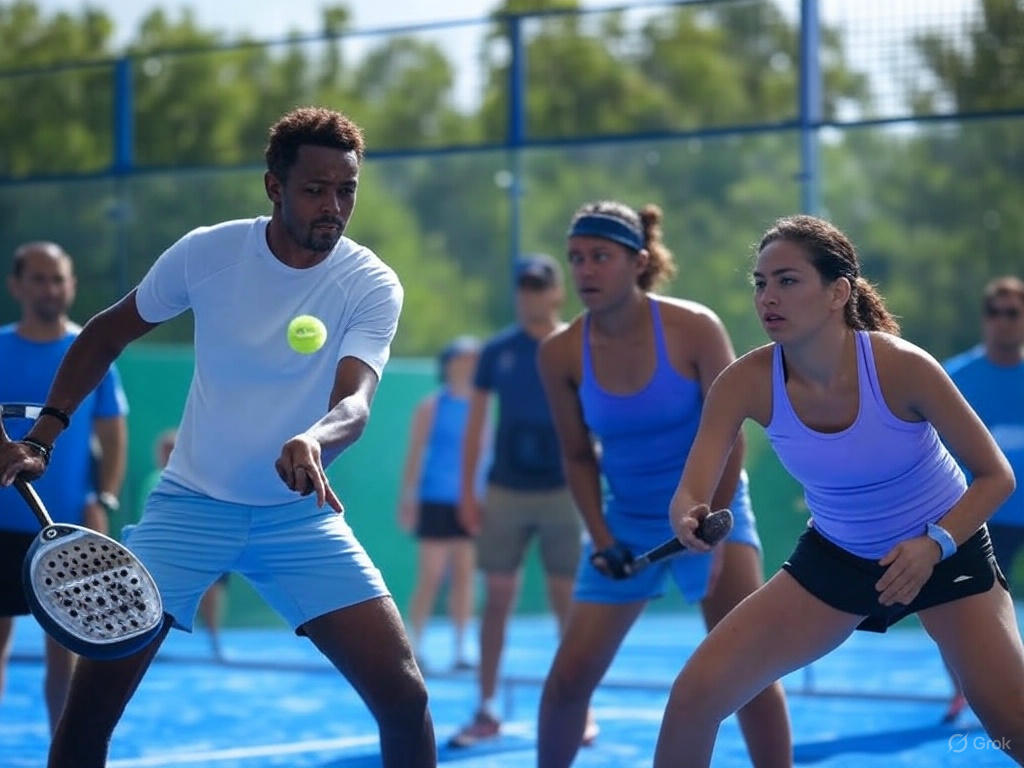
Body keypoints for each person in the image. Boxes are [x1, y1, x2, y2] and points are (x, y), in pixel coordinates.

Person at [0, 106, 435, 768]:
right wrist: (47, 431)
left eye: (346, 190)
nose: (333, 206)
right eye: (315, 188)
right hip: (188, 510)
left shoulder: (370, 282)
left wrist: (315, 439)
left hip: (298, 518)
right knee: (88, 714)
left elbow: (356, 402)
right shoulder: (209, 253)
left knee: (404, 697)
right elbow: (106, 332)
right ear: (274, 187)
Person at [653, 215, 1024, 767]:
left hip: (947, 553)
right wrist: (687, 517)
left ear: (838, 293)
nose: (767, 297)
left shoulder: (902, 367)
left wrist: (934, 546)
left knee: (1013, 729)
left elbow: (996, 476)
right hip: (838, 559)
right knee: (691, 699)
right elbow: (691, 493)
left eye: (787, 280)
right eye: (759, 283)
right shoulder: (744, 381)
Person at [535, 201, 791, 768]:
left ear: (638, 261)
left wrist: (715, 524)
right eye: (576, 258)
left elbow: (732, 434)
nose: (585, 270)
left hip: (713, 510)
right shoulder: (558, 353)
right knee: (568, 681)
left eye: (601, 256)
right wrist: (602, 539)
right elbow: (577, 455)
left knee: (746, 672)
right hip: (626, 522)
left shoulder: (694, 327)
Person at [449, 253, 585, 747]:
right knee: (498, 599)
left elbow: (600, 415)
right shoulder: (497, 352)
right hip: (505, 492)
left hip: (564, 492)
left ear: (556, 292)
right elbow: (476, 425)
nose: (531, 293)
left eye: (540, 285)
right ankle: (486, 709)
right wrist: (468, 491)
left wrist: (593, 479)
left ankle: (577, 709)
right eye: (524, 285)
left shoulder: (579, 344)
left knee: (567, 603)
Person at [0, 241, 128, 734]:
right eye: (38, 278)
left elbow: (112, 434)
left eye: (58, 279)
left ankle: (65, 754)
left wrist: (105, 498)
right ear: (17, 286)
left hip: (64, 531)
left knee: (66, 657)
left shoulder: (91, 356)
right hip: (1, 531)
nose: (50, 288)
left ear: (71, 286)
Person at [939, 275, 1024, 723]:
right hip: (979, 513)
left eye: (1013, 313)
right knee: (961, 609)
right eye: (995, 312)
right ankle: (965, 690)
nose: (1003, 322)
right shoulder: (954, 377)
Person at [397, 336, 481, 672]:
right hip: (434, 500)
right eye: (464, 357)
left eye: (474, 358)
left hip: (470, 503)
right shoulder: (431, 407)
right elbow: (416, 455)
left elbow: (485, 455)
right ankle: (413, 646)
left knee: (464, 576)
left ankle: (462, 649)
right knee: (431, 575)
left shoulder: (481, 406)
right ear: (449, 364)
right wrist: (409, 498)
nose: (470, 362)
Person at [137, 428, 229, 660]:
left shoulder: (203, 480)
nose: (167, 455)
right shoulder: (154, 480)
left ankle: (214, 641)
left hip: (206, 548)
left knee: (212, 593)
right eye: (165, 451)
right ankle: (142, 644)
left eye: (172, 451)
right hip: (168, 552)